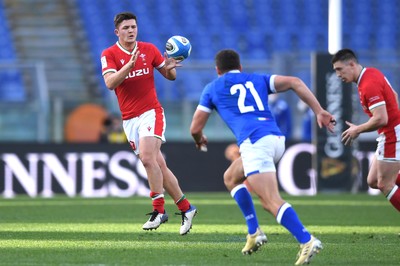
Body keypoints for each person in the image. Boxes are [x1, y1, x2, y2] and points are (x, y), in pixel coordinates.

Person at [190, 49, 335, 265]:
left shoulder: (212, 88)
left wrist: (199, 138)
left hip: (255, 143)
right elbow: (295, 81)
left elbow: (195, 127)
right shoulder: (258, 79)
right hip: (275, 139)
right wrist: (319, 110)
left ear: (217, 70)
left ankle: (307, 240)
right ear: (240, 67)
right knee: (231, 177)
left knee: (270, 201)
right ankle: (254, 231)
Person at [101, 12, 197, 235]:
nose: (131, 30)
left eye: (133, 26)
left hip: (151, 112)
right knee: (158, 165)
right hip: (129, 119)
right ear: (117, 32)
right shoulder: (110, 54)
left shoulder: (149, 49)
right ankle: (186, 208)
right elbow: (109, 83)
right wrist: (128, 66)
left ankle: (159, 210)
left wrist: (170, 66)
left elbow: (169, 76)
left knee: (147, 158)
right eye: (126, 28)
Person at [332, 48, 400, 212]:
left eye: (340, 69)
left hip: (392, 135)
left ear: (352, 64)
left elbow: (381, 118)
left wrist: (358, 129)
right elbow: (395, 96)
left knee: (385, 183)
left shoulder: (368, 85)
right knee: (373, 181)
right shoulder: (372, 73)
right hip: (390, 132)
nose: (338, 75)